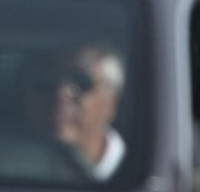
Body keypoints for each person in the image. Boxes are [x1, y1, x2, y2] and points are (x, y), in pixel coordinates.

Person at [19, 44, 127, 182]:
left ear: (111, 103)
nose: (60, 93)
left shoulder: (141, 168)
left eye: (81, 82)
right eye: (45, 81)